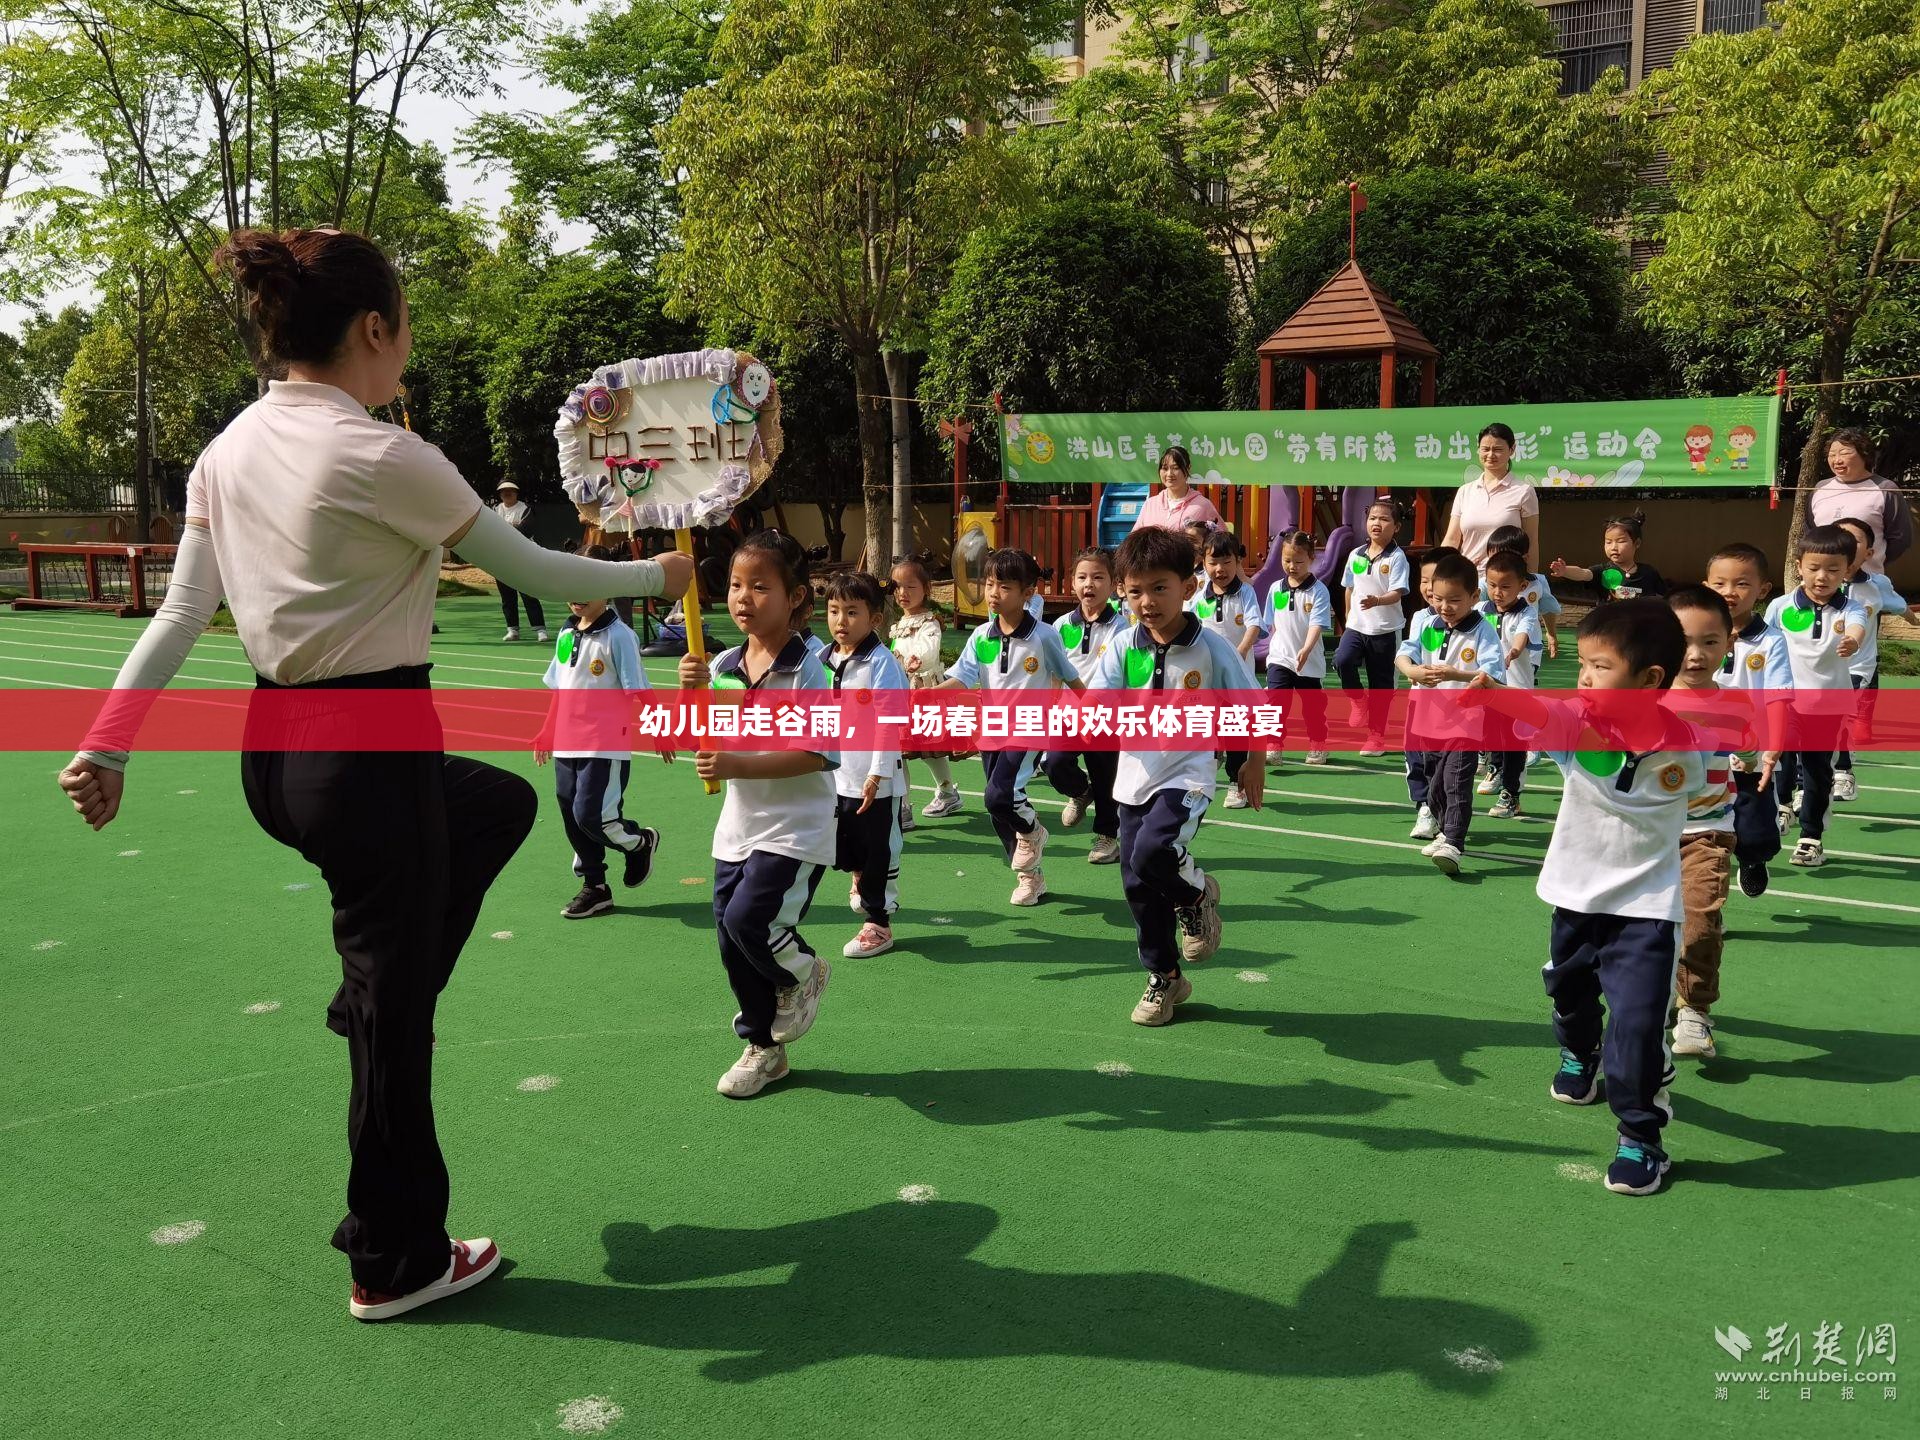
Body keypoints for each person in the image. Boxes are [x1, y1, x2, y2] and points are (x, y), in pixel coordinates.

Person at [57, 226, 691, 1321]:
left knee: (494, 803)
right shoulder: (382, 453)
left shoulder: (231, 448)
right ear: (370, 328)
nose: (408, 349)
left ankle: (367, 1005)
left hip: (278, 756)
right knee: (399, 1030)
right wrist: (659, 570)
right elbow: (528, 565)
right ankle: (394, 1259)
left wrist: (106, 740)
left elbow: (179, 612)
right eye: (404, 328)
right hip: (368, 756)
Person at [1518, 600, 1712, 1195]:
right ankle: (1580, 1056)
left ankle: (1641, 1138)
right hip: (1574, 898)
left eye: (1600, 666)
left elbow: (1707, 793)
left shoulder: (1687, 746)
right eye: (1582, 663)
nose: (1583, 676)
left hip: (1646, 911)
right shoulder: (1574, 728)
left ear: (1649, 681)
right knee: (1571, 996)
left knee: (1638, 1028)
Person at [676, 531, 838, 1100]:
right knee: (729, 939)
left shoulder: (811, 670)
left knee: (752, 923)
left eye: (761, 587)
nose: (743, 598)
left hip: (796, 830)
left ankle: (803, 971)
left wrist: (736, 762)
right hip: (738, 829)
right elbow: (708, 736)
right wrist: (690, 698)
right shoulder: (722, 662)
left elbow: (818, 753)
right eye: (736, 586)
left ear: (795, 597)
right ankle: (764, 1048)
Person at [1090, 526, 1263, 1027]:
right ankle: (1165, 977)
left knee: (1153, 852)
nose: (1147, 601)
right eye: (1135, 590)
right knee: (1137, 883)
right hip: (1133, 779)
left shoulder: (1211, 648)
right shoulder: (1124, 646)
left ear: (1188, 588)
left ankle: (1196, 894)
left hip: (1188, 775)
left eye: (1159, 587)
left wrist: (1254, 763)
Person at [936, 548, 1084, 906]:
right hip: (992, 730)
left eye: (1004, 586)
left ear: (1027, 592)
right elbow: (961, 678)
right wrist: (927, 695)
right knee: (997, 809)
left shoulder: (1045, 636)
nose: (993, 593)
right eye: (989, 584)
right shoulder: (981, 636)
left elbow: (1072, 679)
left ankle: (1034, 830)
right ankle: (1030, 877)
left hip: (1030, 728)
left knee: (999, 796)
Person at [532, 550, 665, 920]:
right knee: (571, 815)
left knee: (592, 815)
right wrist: (546, 731)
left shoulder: (619, 635)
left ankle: (639, 842)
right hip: (566, 744)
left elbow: (639, 688)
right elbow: (560, 688)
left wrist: (660, 728)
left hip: (605, 745)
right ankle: (595, 886)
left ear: (607, 587)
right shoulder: (565, 632)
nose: (577, 593)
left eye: (587, 584)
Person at [1665, 586, 1744, 1062]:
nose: (1695, 655)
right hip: (1650, 832)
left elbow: (1749, 757)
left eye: (1710, 642)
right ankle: (1649, 994)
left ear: (1728, 641)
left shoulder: (1736, 704)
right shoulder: (1644, 698)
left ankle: (1694, 1008)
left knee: (1700, 921)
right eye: (1682, 641)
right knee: (1645, 927)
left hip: (1708, 830)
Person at [1394, 551, 1506, 874]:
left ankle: (1454, 842)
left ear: (1475, 596)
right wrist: (1412, 672)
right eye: (1439, 599)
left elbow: (1491, 675)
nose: (1445, 607)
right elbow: (1404, 655)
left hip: (1465, 725)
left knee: (1456, 782)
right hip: (1429, 723)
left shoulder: (1483, 631)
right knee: (1435, 786)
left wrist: (1455, 675)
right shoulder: (1429, 624)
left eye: (1454, 600)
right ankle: (1445, 831)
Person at [1765, 525, 1868, 868]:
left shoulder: (1850, 609)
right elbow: (1765, 646)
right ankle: (1782, 806)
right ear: (1799, 566)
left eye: (1833, 569)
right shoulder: (1780, 607)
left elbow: (1857, 626)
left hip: (1827, 706)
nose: (1822, 576)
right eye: (1813, 568)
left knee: (1816, 771)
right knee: (1779, 756)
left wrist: (1852, 640)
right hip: (1785, 700)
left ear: (1848, 570)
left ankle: (1811, 837)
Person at [823, 570, 909, 960]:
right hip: (836, 775)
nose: (841, 622)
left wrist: (878, 773)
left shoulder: (881, 663)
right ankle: (860, 877)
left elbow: (891, 721)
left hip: (875, 778)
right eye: (834, 611)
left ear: (875, 619)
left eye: (852, 612)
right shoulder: (823, 658)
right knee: (846, 846)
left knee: (880, 849)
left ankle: (879, 923)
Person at [1704, 542, 1789, 898]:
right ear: (1705, 585)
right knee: (1701, 834)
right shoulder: (1693, 633)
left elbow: (1779, 697)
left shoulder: (1770, 642)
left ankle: (1752, 860)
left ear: (1763, 590)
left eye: (1741, 584)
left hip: (1751, 755)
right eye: (1719, 583)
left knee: (1754, 831)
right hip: (1701, 753)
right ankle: (1706, 904)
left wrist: (1774, 748)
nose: (1729, 592)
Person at [1044, 546, 1127, 864]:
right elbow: (1054, 670)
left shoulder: (1121, 628)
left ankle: (1107, 837)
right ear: (1072, 582)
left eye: (1098, 577)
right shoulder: (1062, 625)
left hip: (1106, 716)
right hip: (1068, 714)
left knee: (1106, 777)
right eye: (1082, 577)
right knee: (1055, 763)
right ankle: (1079, 791)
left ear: (1112, 584)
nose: (1089, 584)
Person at [1832, 516, 1917, 801]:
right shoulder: (1817, 583)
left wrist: (1912, 619)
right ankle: (1809, 777)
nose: (1845, 543)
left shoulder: (1876, 584)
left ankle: (1844, 772)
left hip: (1859, 666)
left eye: (1854, 540)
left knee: (1841, 712)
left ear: (1868, 552)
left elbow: (1899, 605)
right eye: (1838, 536)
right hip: (1821, 668)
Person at [1190, 530, 1268, 805]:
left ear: (1237, 562)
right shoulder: (1200, 596)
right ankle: (1201, 779)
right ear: (1204, 563)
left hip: (1237, 678)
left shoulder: (1245, 592)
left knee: (1235, 730)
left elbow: (1254, 625)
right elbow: (1191, 626)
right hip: (1208, 679)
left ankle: (1237, 783)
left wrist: (1239, 653)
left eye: (1226, 562)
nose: (1219, 569)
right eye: (1213, 562)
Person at [1334, 497, 1410, 756]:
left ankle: (1376, 737)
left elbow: (1398, 592)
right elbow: (1349, 588)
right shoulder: (1356, 554)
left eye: (1384, 519)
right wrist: (1347, 618)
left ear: (1396, 526)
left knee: (1381, 686)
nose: (1377, 523)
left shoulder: (1398, 557)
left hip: (1385, 630)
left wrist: (1377, 600)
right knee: (1342, 660)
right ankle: (1357, 700)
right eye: (1372, 518)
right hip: (1356, 626)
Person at [889, 558, 963, 821]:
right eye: (897, 587)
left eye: (910, 586)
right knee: (899, 753)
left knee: (930, 749)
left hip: (924, 693)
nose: (903, 593)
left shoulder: (930, 622)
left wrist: (914, 659)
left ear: (926, 588)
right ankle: (903, 807)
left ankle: (946, 791)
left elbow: (929, 653)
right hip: (902, 693)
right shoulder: (897, 625)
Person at [1403, 546, 1461, 841]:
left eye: (1435, 581)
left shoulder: (1468, 619)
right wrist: (1411, 671)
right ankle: (1424, 806)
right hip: (1420, 701)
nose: (1428, 588)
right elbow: (1407, 653)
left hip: (1453, 708)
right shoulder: (1419, 617)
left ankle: (1446, 815)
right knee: (1415, 756)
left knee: (1444, 766)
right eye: (1424, 580)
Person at [1480, 548, 1543, 820]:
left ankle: (1511, 794)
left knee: (1514, 742)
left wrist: (1514, 651)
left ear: (1522, 585)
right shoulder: (1480, 609)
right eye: (1492, 585)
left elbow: (1521, 636)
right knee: (1491, 733)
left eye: (1505, 586)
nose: (1498, 592)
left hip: (1516, 688)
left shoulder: (1526, 613)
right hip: (1488, 686)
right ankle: (1494, 769)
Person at [1801, 427, 1913, 575]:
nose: (1837, 460)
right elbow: (1810, 531)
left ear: (1864, 454)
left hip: (1868, 580)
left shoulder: (1885, 488)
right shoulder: (1820, 488)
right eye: (1832, 455)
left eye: (1845, 453)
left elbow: (1900, 538)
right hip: (1824, 581)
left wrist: (1872, 560)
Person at [1265, 529, 1334, 767]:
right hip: (1280, 658)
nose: (1292, 566)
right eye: (1287, 560)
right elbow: (1271, 622)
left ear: (1311, 559)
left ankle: (1318, 743)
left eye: (1298, 561)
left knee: (1312, 708)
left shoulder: (1319, 591)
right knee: (1276, 703)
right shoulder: (1275, 589)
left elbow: (1317, 624)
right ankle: (1273, 745)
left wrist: (1305, 649)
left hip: (1309, 661)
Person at [1441, 422, 1539, 567]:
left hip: (1507, 582)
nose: (1490, 455)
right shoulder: (1465, 491)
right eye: (1485, 449)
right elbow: (1452, 539)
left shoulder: (1524, 491)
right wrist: (1440, 572)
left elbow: (1531, 542)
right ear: (1478, 450)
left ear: (1512, 450)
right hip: (1468, 579)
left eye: (1498, 449)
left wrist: (1532, 581)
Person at [1478, 523, 1560, 661]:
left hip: (1529, 650)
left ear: (1525, 558)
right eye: (1494, 558)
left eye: (1507, 558)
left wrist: (1551, 634)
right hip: (1493, 647)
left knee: (1524, 680)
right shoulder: (1485, 585)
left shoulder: (1537, 582)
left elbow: (1548, 608)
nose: (1501, 564)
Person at [1549, 510, 1666, 602]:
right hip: (1609, 626)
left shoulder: (1649, 572)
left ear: (1637, 543)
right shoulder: (1603, 571)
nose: (1613, 547)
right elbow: (1583, 573)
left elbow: (1665, 598)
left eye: (1620, 541)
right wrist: (1565, 571)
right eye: (1608, 542)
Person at [492, 482, 549, 644]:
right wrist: (509, 528)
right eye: (503, 492)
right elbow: (491, 530)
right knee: (507, 596)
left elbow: (525, 530)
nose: (507, 494)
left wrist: (503, 529)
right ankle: (512, 630)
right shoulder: (496, 510)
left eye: (510, 491)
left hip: (523, 556)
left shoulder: (526, 509)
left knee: (529, 593)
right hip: (501, 558)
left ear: (516, 493)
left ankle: (540, 629)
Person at [1131, 445, 1222, 533]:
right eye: (1165, 468)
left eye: (1175, 468)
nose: (1169, 474)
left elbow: (1222, 541)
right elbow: (1134, 541)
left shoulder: (1203, 505)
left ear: (1188, 469)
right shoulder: (1150, 504)